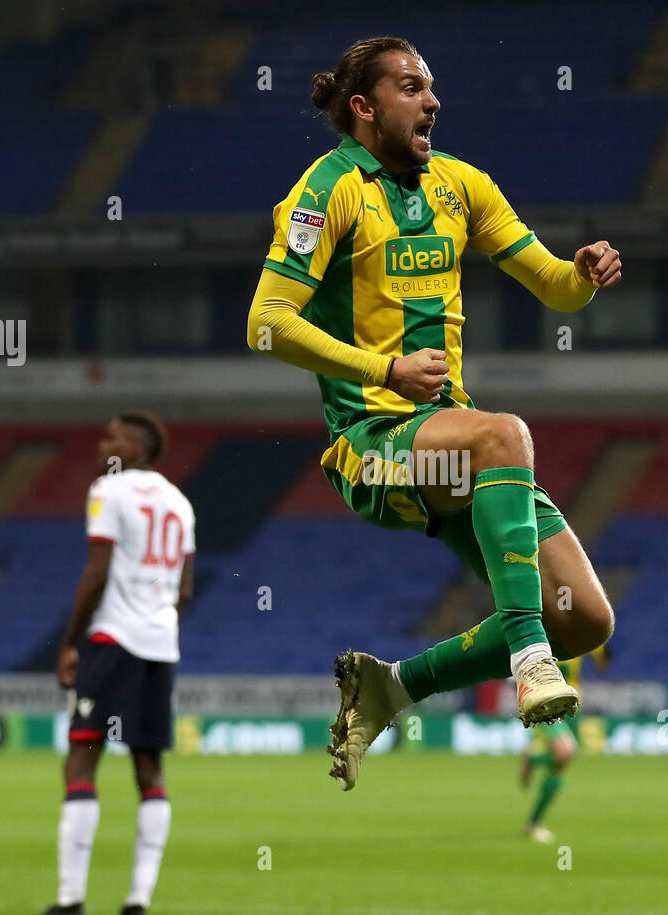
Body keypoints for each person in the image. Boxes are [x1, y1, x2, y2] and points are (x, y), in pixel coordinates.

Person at [246, 36, 620, 791]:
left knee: (585, 618)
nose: (433, 102)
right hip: (373, 448)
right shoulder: (327, 191)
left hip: (449, 449)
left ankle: (392, 687)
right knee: (505, 436)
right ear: (364, 107)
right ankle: (528, 659)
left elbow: (551, 283)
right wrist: (382, 369)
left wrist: (582, 278)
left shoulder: (460, 185)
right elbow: (265, 322)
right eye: (412, 88)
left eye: (432, 88)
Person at [18, 411, 195, 915]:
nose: (103, 444)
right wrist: (158, 623)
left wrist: (70, 643)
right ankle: (136, 906)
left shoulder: (108, 491)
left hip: (111, 640)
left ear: (137, 448)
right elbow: (184, 591)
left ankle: (70, 904)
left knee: (80, 762)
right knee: (150, 772)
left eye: (114, 437)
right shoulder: (180, 503)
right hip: (160, 646)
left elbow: (96, 572)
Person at [520, 643, 610, 842]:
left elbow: (603, 661)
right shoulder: (540, 632)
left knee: (559, 764)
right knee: (565, 752)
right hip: (544, 702)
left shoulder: (580, 633)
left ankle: (533, 823)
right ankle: (532, 760)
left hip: (571, 706)